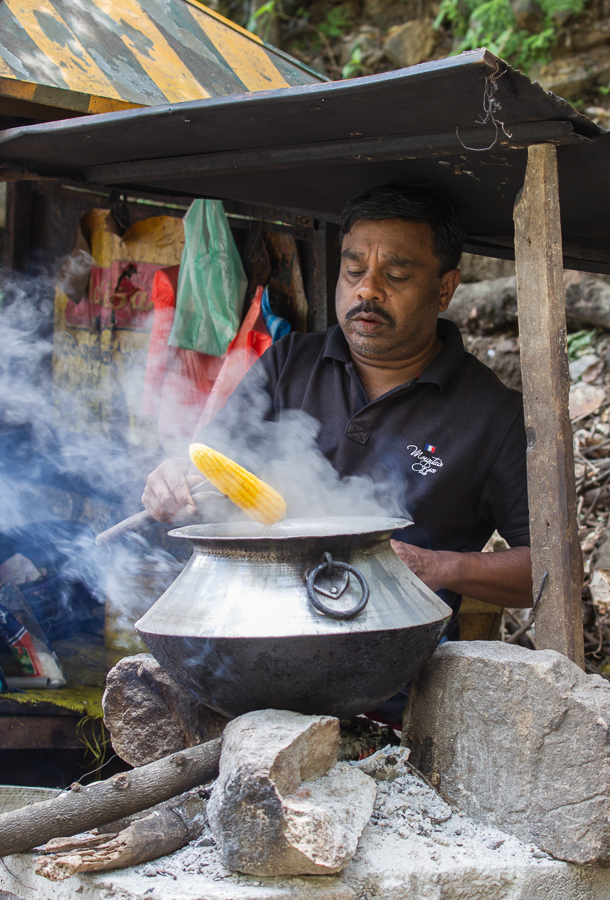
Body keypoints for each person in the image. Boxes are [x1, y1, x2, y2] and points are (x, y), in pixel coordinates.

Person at [143, 183, 533, 637]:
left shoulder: (494, 415)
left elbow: (547, 571)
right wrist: (175, 480)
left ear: (445, 289)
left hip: (399, 654)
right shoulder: (290, 362)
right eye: (353, 270)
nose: (368, 289)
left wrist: (438, 567)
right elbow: (211, 471)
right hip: (255, 629)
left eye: (396, 275)